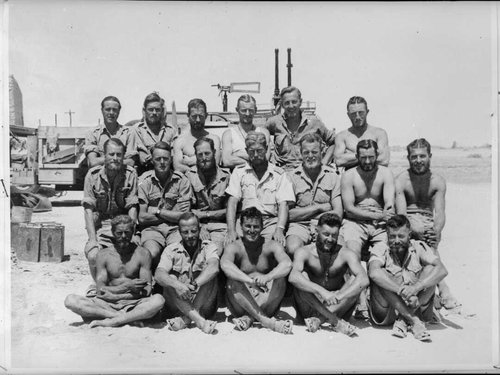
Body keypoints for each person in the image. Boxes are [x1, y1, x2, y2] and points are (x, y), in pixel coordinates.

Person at [395, 138, 460, 313]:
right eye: (414, 157)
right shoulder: (402, 180)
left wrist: (437, 231)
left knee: (430, 242)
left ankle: (436, 289)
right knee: (425, 246)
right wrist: (416, 230)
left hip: (428, 222)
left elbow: (439, 213)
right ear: (408, 158)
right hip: (409, 221)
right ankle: (443, 287)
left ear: (430, 156)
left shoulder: (438, 181)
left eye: (422, 156)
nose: (418, 161)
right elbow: (401, 215)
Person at [64, 215, 165, 328]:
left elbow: (146, 290)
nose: (123, 236)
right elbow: (100, 290)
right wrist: (127, 286)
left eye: (127, 233)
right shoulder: (103, 254)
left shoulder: (143, 253)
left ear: (133, 232)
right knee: (70, 300)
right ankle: (123, 317)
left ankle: (112, 321)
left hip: (134, 303)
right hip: (107, 304)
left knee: (158, 300)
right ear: (112, 232)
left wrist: (113, 294)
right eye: (119, 233)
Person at [368, 215, 448, 341]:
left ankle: (404, 319)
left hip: (417, 304)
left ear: (409, 234)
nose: (396, 240)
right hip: (388, 311)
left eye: (401, 236)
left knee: (431, 269)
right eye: (392, 236)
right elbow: (373, 273)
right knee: (380, 275)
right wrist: (404, 291)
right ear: (386, 235)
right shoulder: (381, 247)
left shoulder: (418, 246)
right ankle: (414, 320)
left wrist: (416, 288)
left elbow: (442, 270)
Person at [339, 139, 395, 319]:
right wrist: (378, 216)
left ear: (377, 155)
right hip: (355, 222)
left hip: (380, 224)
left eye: (371, 157)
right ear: (356, 156)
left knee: (381, 257)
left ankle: (378, 295)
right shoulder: (349, 175)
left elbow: (389, 203)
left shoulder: (386, 173)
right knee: (352, 253)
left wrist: (385, 214)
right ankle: (361, 299)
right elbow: (349, 208)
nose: (368, 161)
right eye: (363, 158)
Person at [289, 213, 367, 336]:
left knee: (355, 279)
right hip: (309, 304)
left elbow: (364, 280)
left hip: (336, 304)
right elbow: (293, 277)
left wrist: (340, 296)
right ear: (316, 231)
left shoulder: (346, 253)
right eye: (326, 234)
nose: (330, 239)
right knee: (301, 276)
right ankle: (334, 321)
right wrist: (322, 291)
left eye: (334, 235)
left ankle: (320, 319)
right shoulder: (304, 252)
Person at [221, 207, 293, 334]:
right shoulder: (235, 247)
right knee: (233, 279)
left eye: (256, 226)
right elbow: (225, 264)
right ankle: (265, 321)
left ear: (262, 227)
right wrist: (249, 281)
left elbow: (287, 264)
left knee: (280, 278)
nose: (252, 230)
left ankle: (249, 318)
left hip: (266, 300)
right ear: (241, 227)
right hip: (241, 302)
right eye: (248, 226)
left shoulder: (271, 245)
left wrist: (267, 277)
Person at [224, 131, 295, 247]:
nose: (256, 155)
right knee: (232, 246)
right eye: (252, 151)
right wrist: (231, 230)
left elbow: (283, 204)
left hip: (269, 222)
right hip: (245, 221)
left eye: (260, 151)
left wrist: (279, 229)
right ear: (246, 151)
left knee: (276, 246)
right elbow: (232, 202)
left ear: (267, 149)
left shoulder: (279, 174)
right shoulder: (239, 172)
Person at [82, 138, 138, 281]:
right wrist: (92, 240)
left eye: (119, 155)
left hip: (123, 224)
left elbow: (132, 206)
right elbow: (88, 211)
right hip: (102, 225)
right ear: (104, 155)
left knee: (137, 253)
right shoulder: (92, 176)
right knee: (93, 255)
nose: (115, 158)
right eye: (111, 154)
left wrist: (132, 233)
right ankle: (99, 287)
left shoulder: (130, 174)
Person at [155, 213, 219, 334]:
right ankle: (199, 320)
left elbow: (214, 267)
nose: (190, 236)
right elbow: (159, 274)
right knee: (170, 278)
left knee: (210, 275)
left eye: (194, 231)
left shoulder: (208, 246)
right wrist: (178, 285)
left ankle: (187, 318)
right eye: (185, 232)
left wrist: (195, 284)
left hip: (204, 302)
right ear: (179, 232)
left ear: (200, 229)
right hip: (179, 303)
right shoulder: (171, 249)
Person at [286, 133, 343, 257]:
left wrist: (305, 213)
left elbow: (338, 212)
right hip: (300, 225)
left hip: (327, 225)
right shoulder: (291, 177)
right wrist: (319, 207)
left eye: (314, 152)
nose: (310, 156)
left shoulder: (332, 176)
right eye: (306, 153)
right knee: (292, 248)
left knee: (340, 250)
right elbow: (289, 214)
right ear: (301, 154)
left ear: (322, 152)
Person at [137, 141, 192, 269]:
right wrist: (173, 213)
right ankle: (155, 282)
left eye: (165, 159)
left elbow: (184, 217)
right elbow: (142, 218)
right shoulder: (144, 181)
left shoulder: (182, 181)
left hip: (175, 229)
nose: (162, 162)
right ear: (152, 161)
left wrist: (156, 211)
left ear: (171, 160)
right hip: (152, 230)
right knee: (151, 253)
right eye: (158, 159)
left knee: (178, 252)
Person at [264, 86, 335, 171]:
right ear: (282, 104)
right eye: (287, 103)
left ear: (300, 102)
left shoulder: (313, 122)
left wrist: (324, 162)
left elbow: (334, 142)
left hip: (308, 172)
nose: (291, 106)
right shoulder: (274, 122)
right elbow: (260, 137)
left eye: (294, 102)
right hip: (282, 173)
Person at [186, 137, 230, 256]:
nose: (204, 158)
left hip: (219, 226)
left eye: (207, 153)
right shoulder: (189, 177)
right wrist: (199, 227)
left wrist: (206, 214)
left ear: (214, 153)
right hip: (195, 226)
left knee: (214, 252)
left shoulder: (226, 177)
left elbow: (230, 210)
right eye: (200, 155)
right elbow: (187, 210)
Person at [333, 96, 390, 170]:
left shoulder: (379, 133)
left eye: (361, 113)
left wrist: (350, 156)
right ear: (348, 115)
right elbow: (339, 161)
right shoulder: (342, 136)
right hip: (351, 180)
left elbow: (384, 160)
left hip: (375, 179)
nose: (357, 117)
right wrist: (371, 155)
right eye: (353, 114)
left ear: (367, 112)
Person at [128, 92, 178, 175]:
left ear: (162, 111)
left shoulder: (171, 130)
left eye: (157, 110)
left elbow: (175, 155)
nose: (154, 113)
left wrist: (155, 156)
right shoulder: (136, 130)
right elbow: (143, 159)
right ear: (144, 111)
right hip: (144, 175)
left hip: (167, 176)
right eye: (150, 109)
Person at [221, 94, 271, 169]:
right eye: (244, 110)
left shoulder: (263, 132)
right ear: (237, 110)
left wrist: (238, 154)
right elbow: (227, 161)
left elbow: (265, 158)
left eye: (250, 110)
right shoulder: (229, 134)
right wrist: (253, 161)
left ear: (255, 110)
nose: (247, 114)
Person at [84, 96, 135, 168]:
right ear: (102, 110)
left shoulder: (129, 133)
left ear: (119, 111)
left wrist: (103, 160)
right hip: (99, 177)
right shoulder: (92, 133)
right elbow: (93, 162)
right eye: (108, 109)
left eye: (114, 110)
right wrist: (119, 159)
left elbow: (130, 162)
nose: (111, 113)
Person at [172, 98, 221, 173]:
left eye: (201, 116)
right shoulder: (180, 141)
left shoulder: (214, 139)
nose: (198, 120)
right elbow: (177, 167)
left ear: (206, 116)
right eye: (194, 116)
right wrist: (206, 160)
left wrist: (191, 161)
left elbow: (215, 163)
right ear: (188, 116)